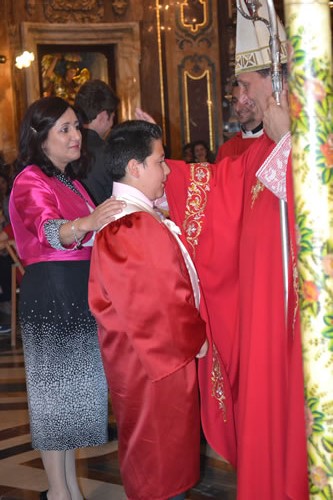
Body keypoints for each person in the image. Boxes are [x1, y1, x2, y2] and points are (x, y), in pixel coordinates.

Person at [164, 2, 308, 498]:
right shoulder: (264, 146)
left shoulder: (307, 132)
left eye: (244, 85)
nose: (237, 95)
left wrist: (291, 140)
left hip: (301, 313)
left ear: (273, 82)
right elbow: (222, 188)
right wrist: (161, 175)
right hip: (267, 313)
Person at [9, 96, 125, 500]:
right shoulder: (30, 180)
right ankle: (59, 492)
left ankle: (70, 487)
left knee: (74, 399)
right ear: (41, 138)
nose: (76, 136)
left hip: (77, 289)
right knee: (55, 400)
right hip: (52, 290)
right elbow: (49, 229)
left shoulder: (68, 180)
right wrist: (89, 222)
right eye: (65, 129)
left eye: (77, 126)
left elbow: (92, 231)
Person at [88, 120, 207, 500]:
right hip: (156, 367)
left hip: (149, 365)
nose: (169, 169)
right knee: (160, 471)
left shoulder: (136, 218)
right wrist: (197, 337)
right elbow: (158, 309)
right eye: (160, 161)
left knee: (161, 465)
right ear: (135, 167)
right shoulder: (131, 226)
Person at [74, 79, 120, 205]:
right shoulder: (108, 153)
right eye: (113, 118)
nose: (111, 125)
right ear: (104, 116)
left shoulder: (65, 149)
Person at [215, 80, 263, 162]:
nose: (238, 108)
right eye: (234, 101)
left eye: (244, 100)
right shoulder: (226, 149)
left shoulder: (275, 142)